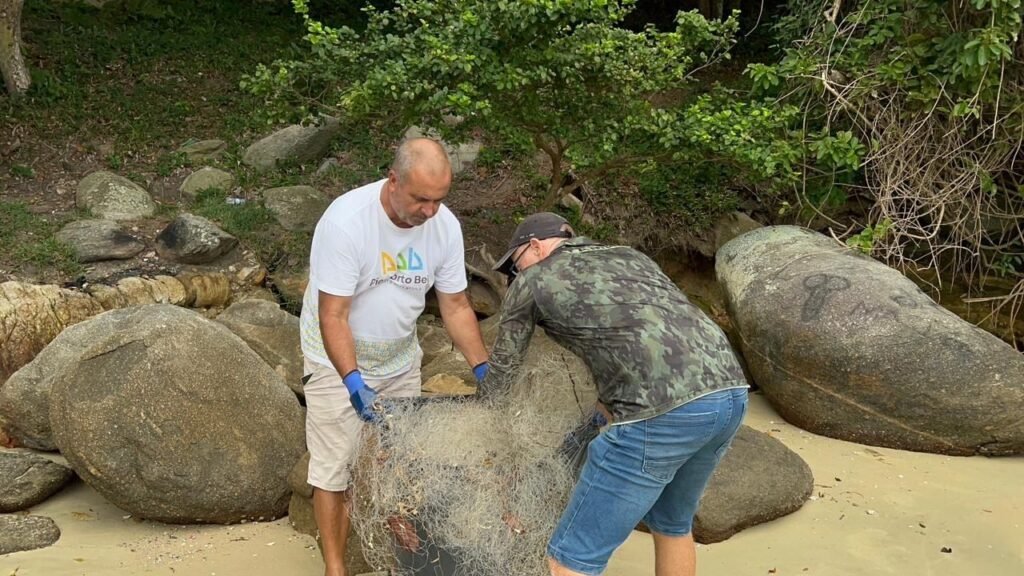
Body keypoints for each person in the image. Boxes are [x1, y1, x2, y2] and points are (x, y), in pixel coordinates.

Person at [482, 212, 749, 576]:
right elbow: (638, 333)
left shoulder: (533, 281)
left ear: (534, 246)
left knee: (570, 559)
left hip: (661, 413)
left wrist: (480, 417)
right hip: (729, 391)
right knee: (672, 525)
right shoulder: (630, 257)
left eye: (514, 266)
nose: (515, 276)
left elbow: (503, 371)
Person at [299, 138, 490, 576]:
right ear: (393, 180)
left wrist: (482, 367)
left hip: (400, 358)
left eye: (438, 200)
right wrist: (353, 383)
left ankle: (399, 559)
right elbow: (333, 315)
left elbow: (457, 305)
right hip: (336, 358)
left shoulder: (444, 227)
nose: (429, 211)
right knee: (335, 468)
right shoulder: (347, 221)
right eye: (420, 199)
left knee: (398, 464)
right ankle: (335, 567)